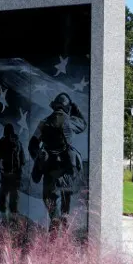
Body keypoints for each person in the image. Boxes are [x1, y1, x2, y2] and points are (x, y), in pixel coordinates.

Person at [29, 93, 88, 224]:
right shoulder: (70, 121)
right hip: (67, 168)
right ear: (67, 107)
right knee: (66, 197)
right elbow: (83, 124)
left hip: (49, 168)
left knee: (49, 199)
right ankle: (64, 222)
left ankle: (55, 222)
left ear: (54, 106)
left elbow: (32, 145)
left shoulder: (43, 123)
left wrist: (39, 159)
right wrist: (75, 109)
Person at [0, 123, 25, 217]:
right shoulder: (17, 141)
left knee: (5, 191)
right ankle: (11, 212)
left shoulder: (2, 141)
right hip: (14, 172)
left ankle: (5, 211)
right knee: (12, 192)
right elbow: (22, 158)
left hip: (7, 172)